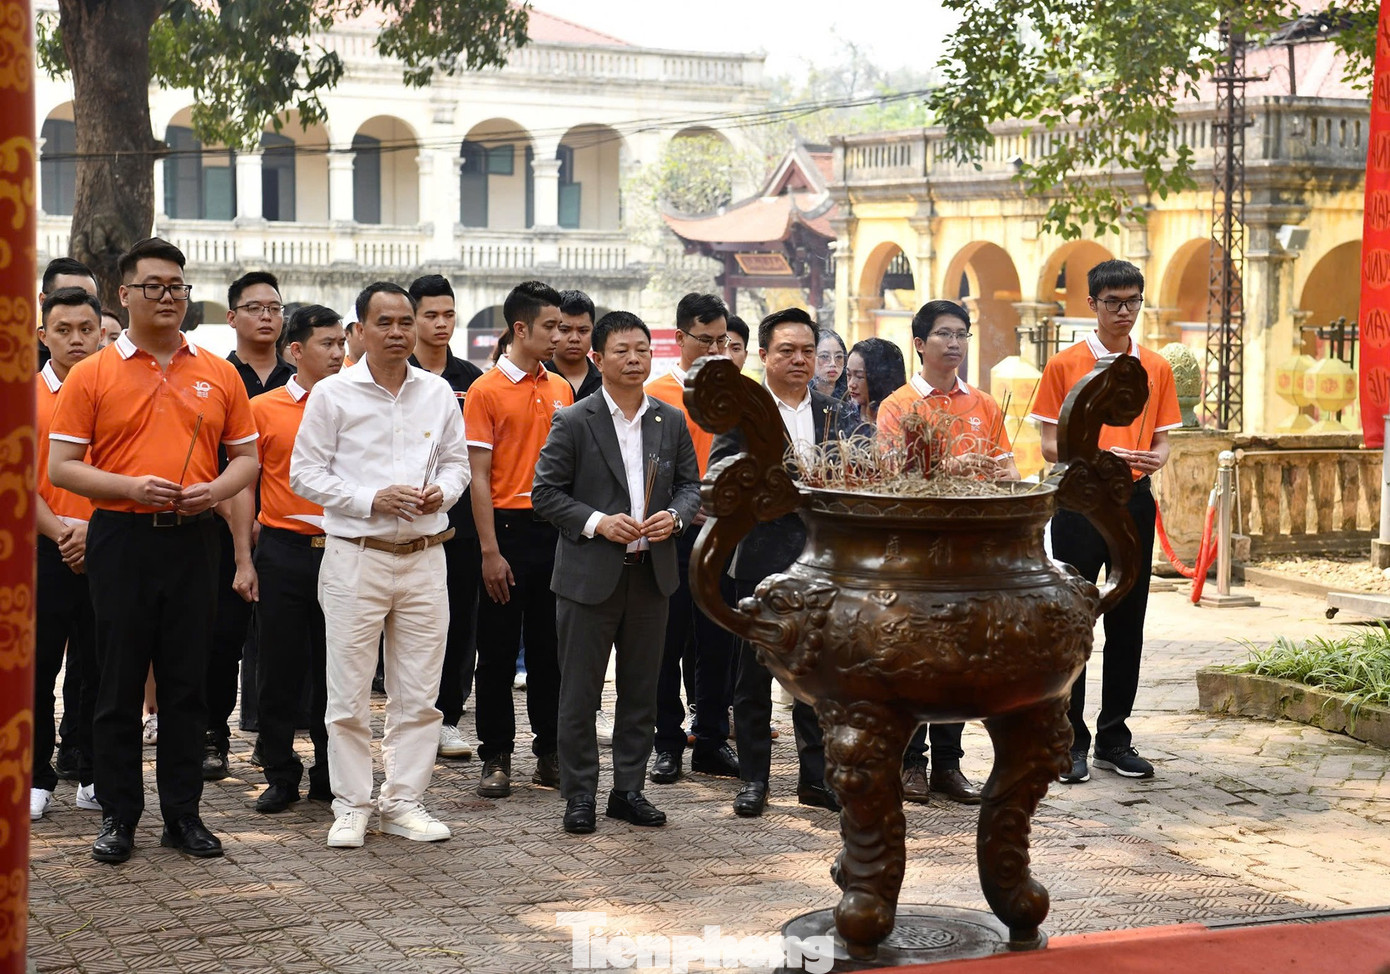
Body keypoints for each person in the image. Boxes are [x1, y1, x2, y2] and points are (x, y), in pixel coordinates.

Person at [49, 237, 260, 863]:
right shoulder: (92, 373)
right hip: (121, 537)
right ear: (124, 294)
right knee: (116, 681)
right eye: (153, 286)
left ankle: (183, 815)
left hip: (194, 539)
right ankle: (119, 815)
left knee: (186, 682)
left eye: (177, 286)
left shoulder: (218, 371)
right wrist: (130, 487)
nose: (168, 297)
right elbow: (62, 467)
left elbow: (246, 459)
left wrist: (213, 491)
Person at [291, 282, 470, 849]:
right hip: (355, 556)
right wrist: (371, 499)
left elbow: (459, 464)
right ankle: (351, 804)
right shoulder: (332, 394)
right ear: (359, 331)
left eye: (404, 322)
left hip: (425, 556)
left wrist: (442, 492)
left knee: (419, 694)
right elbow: (304, 474)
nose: (397, 332)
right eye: (384, 322)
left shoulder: (437, 392)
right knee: (347, 694)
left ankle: (403, 801)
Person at [533, 311, 702, 834]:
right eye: (622, 351)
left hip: (651, 576)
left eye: (642, 350)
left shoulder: (669, 419)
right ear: (598, 358)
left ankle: (628, 790)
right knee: (579, 693)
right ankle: (580, 793)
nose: (634, 360)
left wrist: (674, 518)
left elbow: (690, 487)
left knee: (641, 691)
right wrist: (598, 523)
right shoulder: (573, 420)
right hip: (589, 578)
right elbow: (545, 494)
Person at [1029, 259, 1181, 784]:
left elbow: (1162, 439)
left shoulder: (1155, 366)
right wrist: (1099, 455)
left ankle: (1114, 737)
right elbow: (1049, 444)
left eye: (1132, 301)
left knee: (1128, 622)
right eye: (1113, 302)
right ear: (1091, 304)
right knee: (1075, 620)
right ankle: (1069, 740)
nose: (1124, 311)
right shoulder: (1065, 364)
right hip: (1078, 501)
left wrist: (1156, 458)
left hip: (1133, 500)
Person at [709, 308, 858, 817]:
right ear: (763, 355)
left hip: (823, 560)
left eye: (807, 351)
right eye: (787, 350)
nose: (799, 359)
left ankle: (816, 780)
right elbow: (722, 476)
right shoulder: (743, 412)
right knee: (754, 676)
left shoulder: (836, 412)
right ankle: (754, 780)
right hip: (760, 559)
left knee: (818, 674)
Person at [876, 300, 1018, 805]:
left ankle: (949, 766)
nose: (954, 343)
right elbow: (892, 478)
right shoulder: (898, 406)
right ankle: (911, 763)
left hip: (971, 552)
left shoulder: (984, 405)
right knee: (915, 659)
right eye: (943, 334)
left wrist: (1000, 473)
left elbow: (1009, 471)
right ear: (919, 343)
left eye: (961, 333)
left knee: (960, 659)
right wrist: (952, 470)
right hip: (917, 554)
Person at [464, 280, 574, 798]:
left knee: (552, 651)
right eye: (550, 327)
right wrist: (489, 551)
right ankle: (495, 755)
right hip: (504, 531)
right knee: (498, 651)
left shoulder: (561, 388)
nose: (559, 336)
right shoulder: (485, 390)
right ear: (520, 328)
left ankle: (549, 753)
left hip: (555, 531)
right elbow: (478, 477)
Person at [244, 305, 345, 814]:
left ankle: (331, 775)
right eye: (327, 343)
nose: (338, 352)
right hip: (283, 551)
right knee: (278, 669)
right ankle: (280, 772)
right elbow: (244, 482)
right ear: (296, 351)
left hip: (345, 549)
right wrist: (244, 556)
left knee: (338, 670)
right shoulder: (263, 409)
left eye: (342, 343)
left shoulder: (357, 403)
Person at [643, 293, 739, 785]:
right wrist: (680, 504)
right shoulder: (655, 393)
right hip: (671, 533)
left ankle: (712, 739)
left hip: (723, 532)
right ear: (679, 337)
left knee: (719, 639)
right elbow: (644, 467)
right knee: (667, 639)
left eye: (722, 340)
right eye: (706, 340)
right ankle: (666, 743)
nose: (716, 350)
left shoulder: (737, 392)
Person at [205, 270, 294, 780]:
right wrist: (238, 514)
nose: (266, 317)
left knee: (285, 642)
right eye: (255, 308)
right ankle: (212, 734)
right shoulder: (216, 377)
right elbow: (206, 460)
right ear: (231, 317)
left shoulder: (300, 379)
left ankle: (273, 739)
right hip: (221, 528)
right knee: (222, 638)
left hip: (288, 533)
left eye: (274, 308)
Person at [32, 287, 103, 822]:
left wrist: (92, 531)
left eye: (86, 329)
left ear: (101, 332)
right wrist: (63, 534)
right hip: (42, 544)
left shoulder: (116, 391)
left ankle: (95, 771)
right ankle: (35, 776)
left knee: (102, 667)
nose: (76, 339)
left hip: (108, 541)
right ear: (43, 335)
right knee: (37, 668)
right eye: (63, 329)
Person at [407, 274, 485, 761]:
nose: (442, 323)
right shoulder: (395, 373)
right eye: (431, 315)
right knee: (407, 626)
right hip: (403, 522)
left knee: (458, 622)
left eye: (449, 314)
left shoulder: (473, 380)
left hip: (462, 523)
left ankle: (448, 717)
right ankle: (409, 714)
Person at [37, 257, 99, 372]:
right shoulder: (19, 363)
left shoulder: (111, 364)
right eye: (68, 298)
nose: (80, 306)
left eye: (89, 299)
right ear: (43, 301)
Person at [546, 289, 603, 400]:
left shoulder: (607, 382)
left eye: (583, 331)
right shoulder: (537, 378)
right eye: (565, 330)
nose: (574, 339)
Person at [845, 337, 906, 426]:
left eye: (859, 376)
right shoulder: (843, 417)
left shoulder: (901, 422)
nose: (851, 384)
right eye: (848, 374)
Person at [811, 330, 848, 400]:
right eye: (824, 356)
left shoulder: (851, 396)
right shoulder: (801, 395)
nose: (833, 363)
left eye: (839, 357)